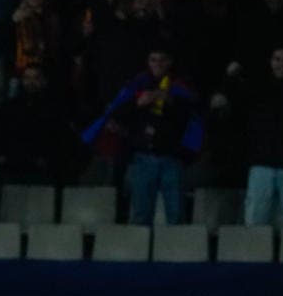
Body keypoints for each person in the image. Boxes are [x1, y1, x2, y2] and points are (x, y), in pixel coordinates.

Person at [83, 48, 203, 225]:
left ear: (169, 62)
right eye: (153, 60)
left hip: (172, 158)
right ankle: (140, 252)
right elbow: (116, 114)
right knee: (140, 216)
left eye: (162, 60)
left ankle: (174, 253)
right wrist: (138, 103)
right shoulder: (136, 85)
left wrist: (170, 102)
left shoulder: (180, 87)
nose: (157, 64)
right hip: (142, 158)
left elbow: (192, 117)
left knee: (176, 216)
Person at [216, 47, 283, 227]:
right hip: (261, 164)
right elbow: (231, 99)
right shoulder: (258, 87)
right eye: (277, 59)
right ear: (270, 61)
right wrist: (229, 78)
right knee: (254, 222)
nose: (282, 64)